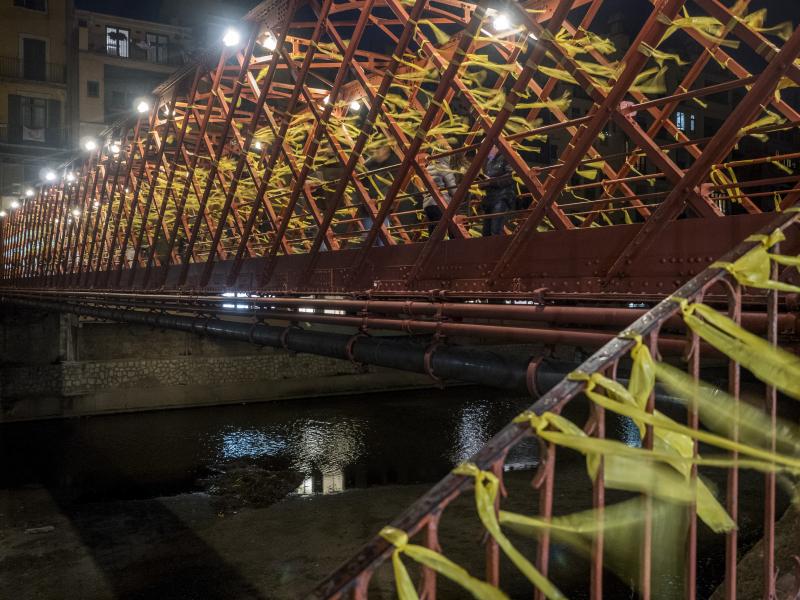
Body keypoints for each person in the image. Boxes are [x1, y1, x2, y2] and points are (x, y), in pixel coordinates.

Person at [420, 153, 457, 236]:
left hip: (427, 204)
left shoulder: (427, 169)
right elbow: (452, 188)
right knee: (451, 229)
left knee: (433, 231)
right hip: (440, 203)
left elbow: (424, 189)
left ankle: (431, 248)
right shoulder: (444, 168)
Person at [482, 144, 514, 236]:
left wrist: (490, 182)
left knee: (495, 229)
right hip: (490, 198)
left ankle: (495, 249)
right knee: (486, 232)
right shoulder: (488, 162)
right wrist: (483, 183)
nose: (485, 151)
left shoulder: (506, 158)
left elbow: (511, 177)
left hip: (502, 197)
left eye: (488, 147)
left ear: (495, 147)